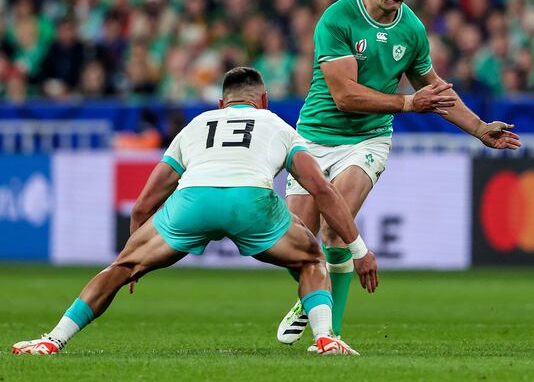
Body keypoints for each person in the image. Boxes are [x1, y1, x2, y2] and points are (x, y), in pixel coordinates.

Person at [12, 67, 378, 356]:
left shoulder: (197, 124)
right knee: (311, 259)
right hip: (249, 202)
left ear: (222, 104)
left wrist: (133, 257)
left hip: (193, 201)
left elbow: (145, 200)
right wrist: (358, 249)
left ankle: (53, 340)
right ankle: (326, 338)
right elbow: (320, 188)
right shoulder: (277, 125)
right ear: (263, 100)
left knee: (118, 270)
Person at [277, 0, 521, 348]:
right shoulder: (337, 19)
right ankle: (313, 289)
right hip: (316, 137)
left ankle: (329, 333)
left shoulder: (411, 29)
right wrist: (409, 102)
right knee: (296, 243)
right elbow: (345, 95)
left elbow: (436, 90)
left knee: (338, 234)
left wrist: (479, 129)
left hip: (368, 140)